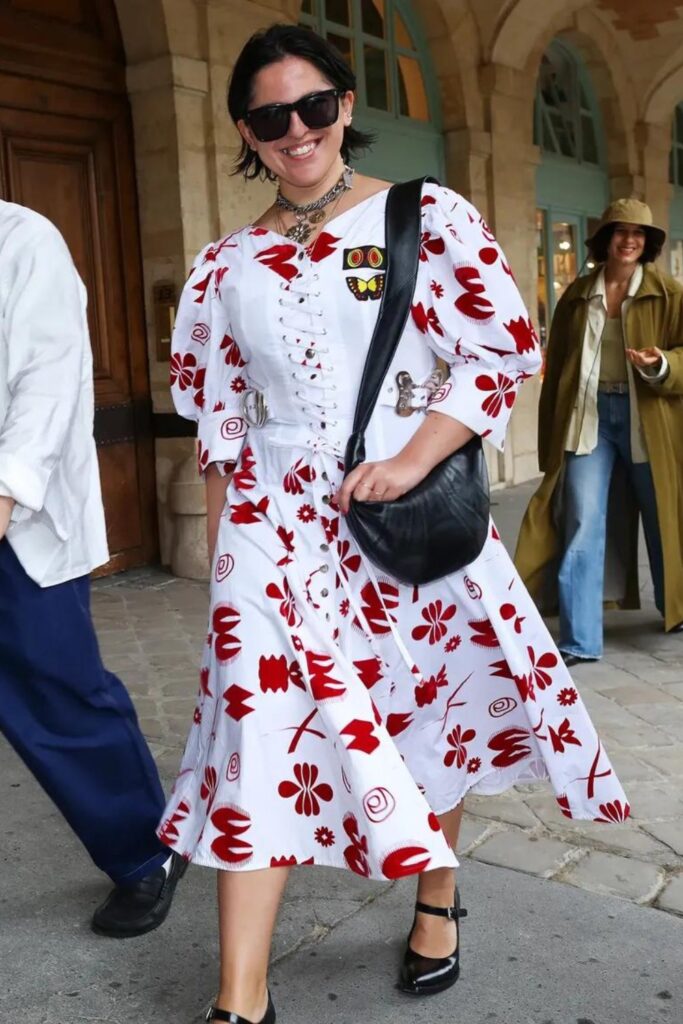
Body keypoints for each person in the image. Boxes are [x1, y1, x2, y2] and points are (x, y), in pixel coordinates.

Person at [159, 25, 629, 1024]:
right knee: (257, 734)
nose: (297, 131)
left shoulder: (425, 217)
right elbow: (217, 418)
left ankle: (435, 894)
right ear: (245, 129)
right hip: (269, 524)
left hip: (402, 511)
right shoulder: (221, 265)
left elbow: (498, 348)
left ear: (343, 108)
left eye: (314, 106)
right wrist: (219, 561)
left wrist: (411, 460)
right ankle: (238, 996)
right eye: (270, 116)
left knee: (423, 706)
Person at [0, 199, 185, 937]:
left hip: (18, 525)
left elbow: (47, 379)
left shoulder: (22, 238)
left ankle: (144, 853)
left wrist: (6, 488)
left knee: (55, 692)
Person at [516, 199, 683, 665]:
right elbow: (563, 369)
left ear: (648, 243)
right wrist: (550, 438)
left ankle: (677, 607)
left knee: (664, 515)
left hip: (646, 418)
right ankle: (580, 639)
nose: (629, 240)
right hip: (590, 419)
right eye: (620, 231)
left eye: (639, 233)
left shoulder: (667, 293)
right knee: (581, 521)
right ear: (604, 236)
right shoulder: (577, 295)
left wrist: (662, 365)